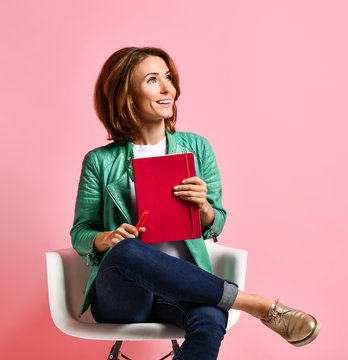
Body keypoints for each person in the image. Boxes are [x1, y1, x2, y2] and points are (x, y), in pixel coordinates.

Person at [71, 46, 321, 360]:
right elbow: (80, 232)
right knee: (128, 250)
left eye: (168, 78)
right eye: (152, 80)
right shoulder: (99, 161)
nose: (168, 89)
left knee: (212, 317)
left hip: (182, 286)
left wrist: (203, 208)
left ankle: (230, 301)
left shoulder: (197, 148)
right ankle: (253, 303)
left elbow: (217, 221)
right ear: (127, 95)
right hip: (124, 296)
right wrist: (103, 239)